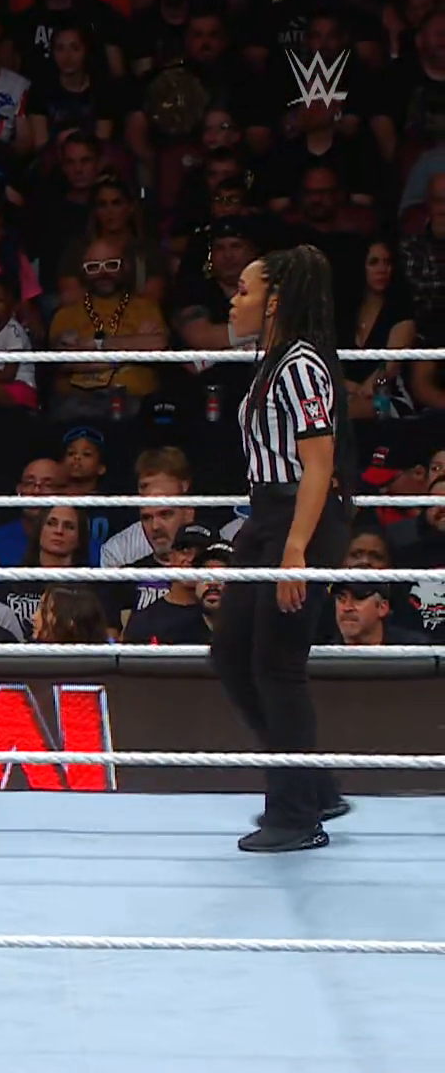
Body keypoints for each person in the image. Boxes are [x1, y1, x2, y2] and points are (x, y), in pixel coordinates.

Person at [210, 244, 354, 853]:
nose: (233, 300)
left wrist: (296, 550)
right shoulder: (272, 362)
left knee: (276, 665)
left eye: (244, 290)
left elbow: (319, 464)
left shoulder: (299, 365)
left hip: (299, 518)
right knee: (231, 651)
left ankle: (296, 816)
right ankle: (312, 785)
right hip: (268, 517)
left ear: (274, 302)